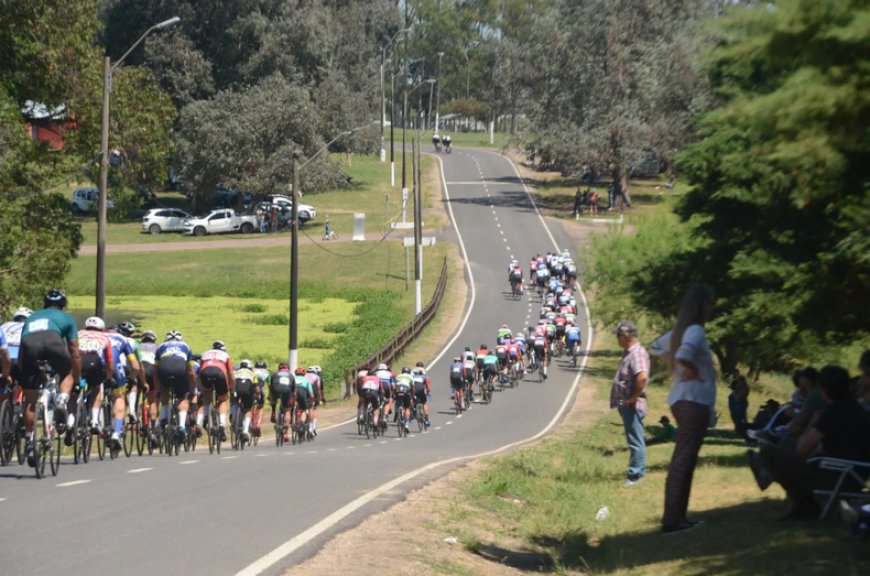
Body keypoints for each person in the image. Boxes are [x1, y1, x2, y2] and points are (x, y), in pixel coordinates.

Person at [747, 365, 870, 520]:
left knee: (768, 451)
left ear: (823, 390)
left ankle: (803, 503)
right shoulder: (856, 409)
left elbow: (802, 449)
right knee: (786, 443)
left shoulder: (832, 412)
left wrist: (814, 421)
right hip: (855, 474)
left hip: (838, 477)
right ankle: (768, 472)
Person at [653, 283, 717, 534]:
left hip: (683, 400)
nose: (712, 309)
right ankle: (673, 520)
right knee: (683, 461)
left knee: (684, 460)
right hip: (693, 402)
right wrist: (690, 369)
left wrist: (678, 366)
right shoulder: (696, 331)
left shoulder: (681, 331)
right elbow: (683, 355)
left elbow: (655, 347)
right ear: (702, 305)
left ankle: (677, 517)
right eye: (710, 304)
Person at [18, 290, 81, 464]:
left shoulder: (31, 317)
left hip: (30, 346)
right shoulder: (67, 318)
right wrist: (76, 377)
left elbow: (22, 350)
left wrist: (24, 372)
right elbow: (74, 351)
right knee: (67, 373)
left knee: (31, 403)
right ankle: (62, 400)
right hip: (53, 343)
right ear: (63, 306)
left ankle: (30, 442)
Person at [610, 321, 650, 487]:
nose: (617, 339)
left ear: (625, 336)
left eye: (618, 336)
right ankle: (639, 470)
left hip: (632, 405)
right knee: (635, 438)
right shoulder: (629, 353)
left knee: (635, 440)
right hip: (627, 405)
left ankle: (635, 475)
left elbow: (642, 376)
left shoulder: (637, 354)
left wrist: (633, 398)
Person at [153, 331, 197, 441]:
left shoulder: (161, 346)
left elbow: (155, 371)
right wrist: (192, 389)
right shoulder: (186, 346)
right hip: (180, 370)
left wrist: (158, 388)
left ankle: (163, 418)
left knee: (164, 391)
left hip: (164, 369)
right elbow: (191, 371)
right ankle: (181, 426)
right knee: (182, 398)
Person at [197, 340, 235, 442]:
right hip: (219, 373)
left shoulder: (205, 354)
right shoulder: (225, 355)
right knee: (223, 399)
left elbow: (199, 372)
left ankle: (206, 415)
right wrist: (232, 388)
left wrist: (201, 388)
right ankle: (222, 424)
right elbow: (231, 374)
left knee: (206, 393)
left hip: (205, 372)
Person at [394, 367, 414, 433]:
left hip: (398, 390)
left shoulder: (398, 376)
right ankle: (407, 424)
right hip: (406, 391)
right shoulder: (410, 377)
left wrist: (394, 394)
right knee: (407, 408)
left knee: (397, 402)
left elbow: (394, 386)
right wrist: (412, 396)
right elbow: (412, 388)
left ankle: (397, 412)